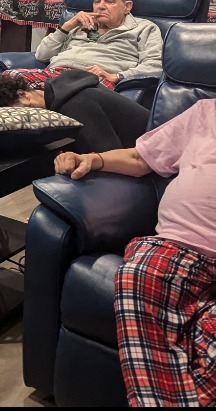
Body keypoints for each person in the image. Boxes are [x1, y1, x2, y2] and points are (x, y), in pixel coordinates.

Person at [54, 98, 215, 407]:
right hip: (177, 248)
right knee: (137, 275)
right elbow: (141, 158)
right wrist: (93, 159)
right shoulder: (206, 113)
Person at [3, 0, 163, 90]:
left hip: (94, 80)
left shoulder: (144, 28)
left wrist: (118, 76)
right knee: (9, 78)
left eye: (109, 1)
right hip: (57, 74)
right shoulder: (80, 24)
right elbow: (42, 55)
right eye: (97, 1)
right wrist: (66, 26)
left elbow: (154, 65)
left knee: (61, 94)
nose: (101, 6)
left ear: (127, 7)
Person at [0, 69, 149, 153]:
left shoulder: (73, 106)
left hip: (159, 161)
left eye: (21, 115)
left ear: (23, 95)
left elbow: (108, 156)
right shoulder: (63, 92)